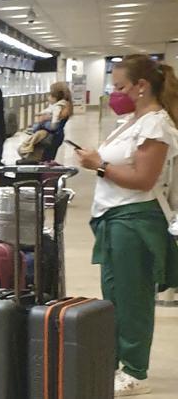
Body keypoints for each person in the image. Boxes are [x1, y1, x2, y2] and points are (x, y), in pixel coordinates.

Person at [75, 55, 178, 396]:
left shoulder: (156, 125)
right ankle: (116, 359)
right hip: (114, 218)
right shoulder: (132, 120)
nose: (114, 93)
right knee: (115, 295)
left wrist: (98, 165)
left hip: (136, 220)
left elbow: (144, 179)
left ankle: (135, 370)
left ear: (141, 86)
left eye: (119, 86)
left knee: (133, 299)